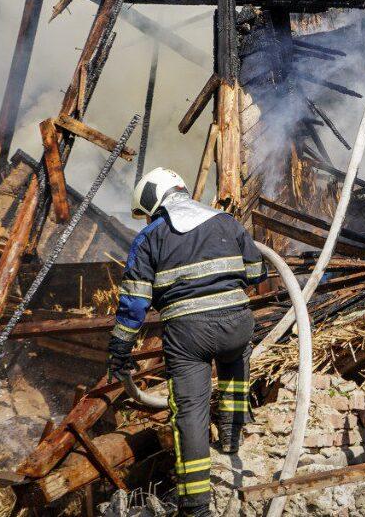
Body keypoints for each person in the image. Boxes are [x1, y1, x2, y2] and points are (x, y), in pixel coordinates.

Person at [105, 168, 266, 517]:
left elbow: (134, 302)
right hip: (237, 324)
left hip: (188, 336)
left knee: (190, 412)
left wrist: (120, 348)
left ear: (154, 200)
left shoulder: (150, 237)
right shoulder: (227, 222)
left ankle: (195, 507)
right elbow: (256, 274)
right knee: (235, 360)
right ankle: (231, 434)